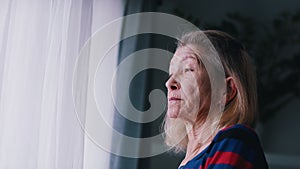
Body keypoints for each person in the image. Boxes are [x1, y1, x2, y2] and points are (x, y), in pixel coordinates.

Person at [163, 30, 269, 169]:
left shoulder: (235, 140)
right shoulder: (188, 161)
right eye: (172, 73)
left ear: (226, 90)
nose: (169, 83)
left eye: (188, 70)